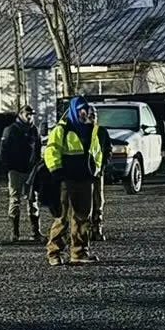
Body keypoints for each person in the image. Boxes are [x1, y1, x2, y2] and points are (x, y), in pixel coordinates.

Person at [42, 98, 104, 267]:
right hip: (65, 179)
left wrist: (96, 171)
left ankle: (79, 252)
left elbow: (97, 152)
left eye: (85, 109)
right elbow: (51, 150)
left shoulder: (91, 129)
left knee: (83, 217)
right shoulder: (61, 129)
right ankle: (54, 252)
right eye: (81, 110)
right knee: (62, 218)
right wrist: (56, 171)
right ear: (74, 111)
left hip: (85, 179)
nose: (84, 113)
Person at [0, 104, 43, 243]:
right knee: (15, 200)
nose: (30, 117)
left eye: (31, 115)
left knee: (33, 200)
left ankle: (36, 232)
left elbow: (38, 148)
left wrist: (36, 165)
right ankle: (15, 233)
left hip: (30, 170)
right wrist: (8, 168)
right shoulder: (11, 130)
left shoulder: (34, 130)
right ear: (21, 114)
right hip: (15, 170)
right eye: (27, 114)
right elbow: (3, 150)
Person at [86, 105, 110, 243]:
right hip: (84, 173)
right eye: (90, 116)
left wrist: (103, 166)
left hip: (97, 171)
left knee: (98, 201)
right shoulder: (81, 131)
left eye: (94, 116)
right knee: (86, 203)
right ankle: (87, 229)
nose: (92, 119)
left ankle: (97, 228)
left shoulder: (101, 131)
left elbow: (107, 149)